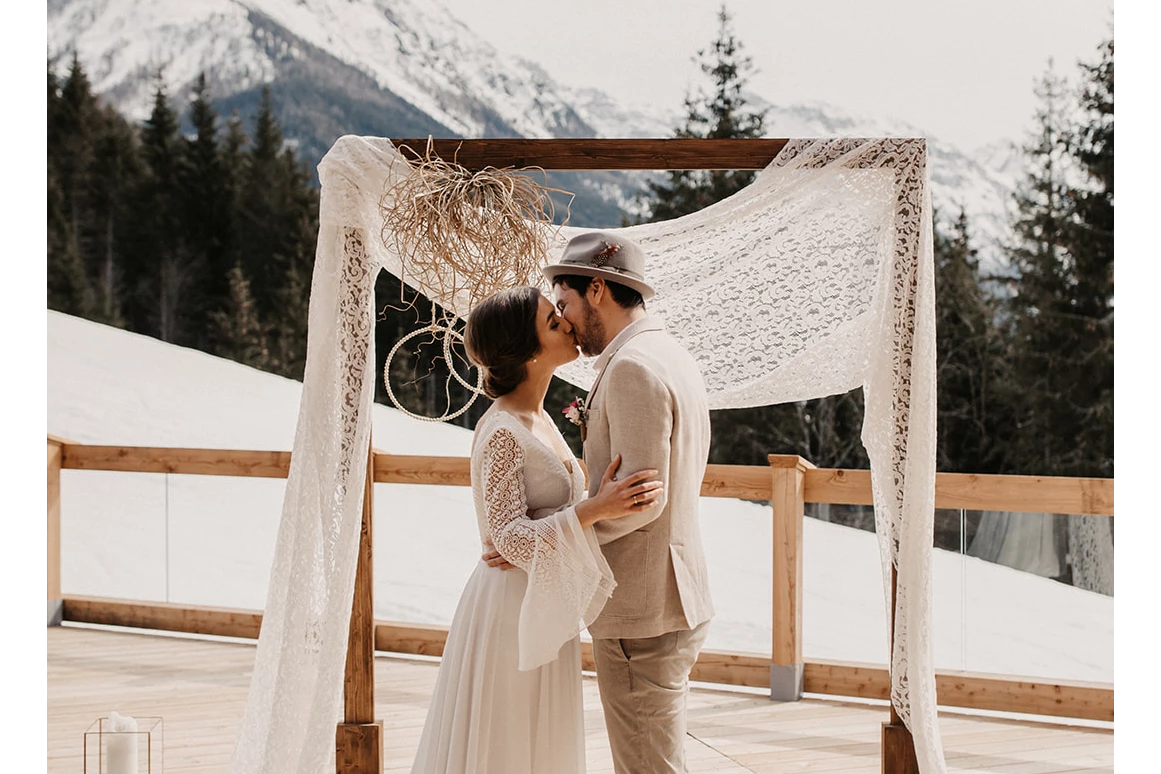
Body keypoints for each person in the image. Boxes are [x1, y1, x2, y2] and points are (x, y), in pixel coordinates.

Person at [409, 284, 665, 774]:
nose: (568, 324)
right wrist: (597, 509)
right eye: (553, 322)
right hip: (509, 608)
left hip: (542, 597)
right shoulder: (504, 428)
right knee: (507, 742)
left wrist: (590, 506)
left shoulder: (539, 417)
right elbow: (508, 539)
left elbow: (529, 526)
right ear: (525, 352)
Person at [486, 231, 714, 774]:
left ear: (597, 290)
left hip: (643, 604)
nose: (563, 319)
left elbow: (639, 501)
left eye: (563, 303)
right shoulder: (667, 352)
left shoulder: (633, 367)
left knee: (646, 766)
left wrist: (546, 539)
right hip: (670, 593)